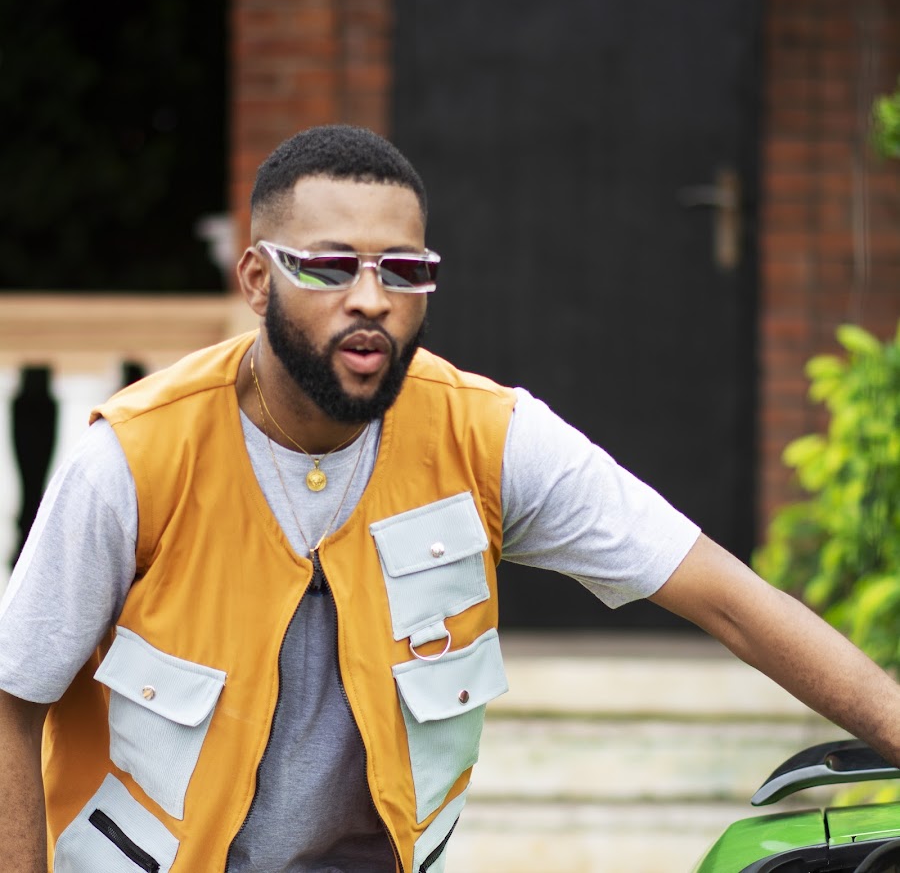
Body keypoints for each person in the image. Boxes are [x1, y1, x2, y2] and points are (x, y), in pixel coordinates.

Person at [0, 124, 898, 873]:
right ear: (257, 280)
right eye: (330, 267)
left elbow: (731, 601)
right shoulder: (134, 457)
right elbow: (13, 699)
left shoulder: (485, 436)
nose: (371, 299)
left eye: (402, 269)